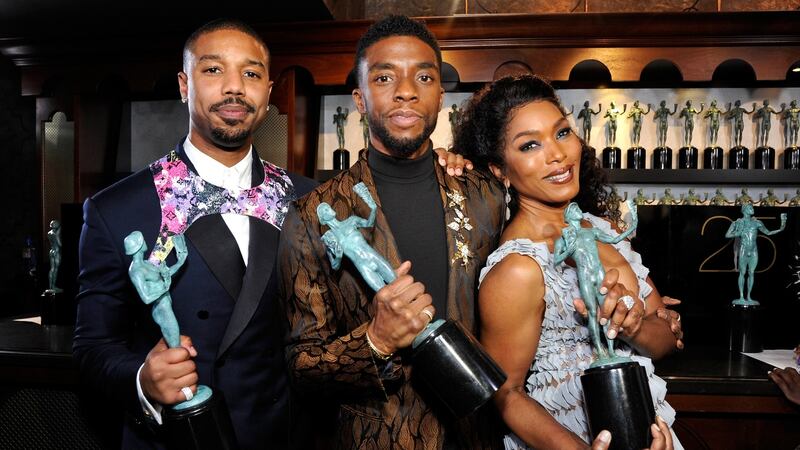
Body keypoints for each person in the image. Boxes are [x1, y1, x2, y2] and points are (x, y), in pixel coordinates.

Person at [72, 19, 318, 449]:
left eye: (251, 73)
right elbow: (93, 347)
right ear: (184, 85)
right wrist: (142, 378)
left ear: (269, 92)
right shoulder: (117, 209)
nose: (234, 87)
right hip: (174, 438)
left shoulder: (309, 200)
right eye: (213, 70)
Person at [278, 15, 508, 449]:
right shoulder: (313, 214)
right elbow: (301, 365)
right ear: (359, 99)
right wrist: (375, 341)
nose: (406, 90)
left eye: (424, 76)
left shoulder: (486, 194)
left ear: (440, 96)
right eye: (384, 77)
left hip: (477, 435)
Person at [455, 75, 682, 450]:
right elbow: (506, 393)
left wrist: (632, 327)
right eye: (530, 145)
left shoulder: (605, 230)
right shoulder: (518, 267)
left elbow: (664, 340)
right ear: (499, 170)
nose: (557, 154)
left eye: (561, 133)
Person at [725, 203, 787, 305]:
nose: (752, 209)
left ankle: (749, 296)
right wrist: (738, 232)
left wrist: (781, 227)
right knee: (742, 273)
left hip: (753, 250)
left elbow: (768, 232)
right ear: (744, 210)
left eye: (752, 207)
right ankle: (741, 296)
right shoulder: (737, 222)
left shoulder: (757, 222)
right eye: (750, 208)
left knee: (751, 273)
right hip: (743, 250)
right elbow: (727, 235)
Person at [46, 219, 62, 292]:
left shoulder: (49, 233)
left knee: (52, 269)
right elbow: (59, 244)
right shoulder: (56, 234)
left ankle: (51, 286)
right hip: (56, 251)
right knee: (55, 269)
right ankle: (53, 287)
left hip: (51, 251)